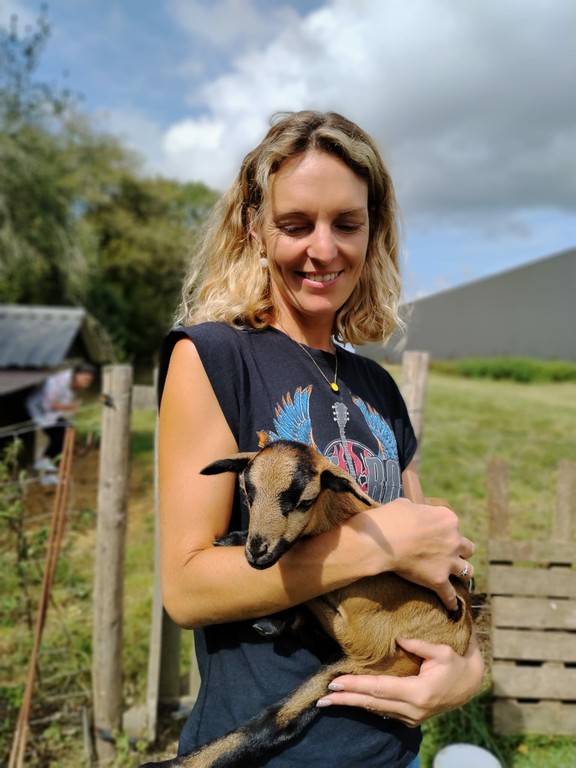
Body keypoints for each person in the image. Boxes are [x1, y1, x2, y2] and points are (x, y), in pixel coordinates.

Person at [157, 111, 484, 767]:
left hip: (391, 752)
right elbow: (187, 589)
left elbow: (435, 573)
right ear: (254, 229)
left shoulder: (377, 386)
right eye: (295, 224)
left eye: (347, 223)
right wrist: (376, 546)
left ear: (375, 233)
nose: (324, 249)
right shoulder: (215, 356)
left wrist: (465, 675)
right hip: (270, 754)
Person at [26, 363, 95, 483]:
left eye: (90, 381)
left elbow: (66, 409)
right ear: (77, 375)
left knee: (66, 433)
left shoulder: (71, 387)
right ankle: (43, 463)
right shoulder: (57, 382)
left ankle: (51, 471)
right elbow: (49, 403)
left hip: (52, 413)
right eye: (86, 379)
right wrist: (71, 407)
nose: (87, 383)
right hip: (39, 410)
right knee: (60, 437)